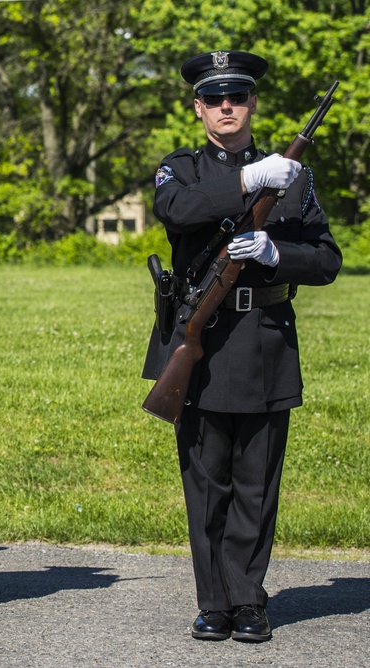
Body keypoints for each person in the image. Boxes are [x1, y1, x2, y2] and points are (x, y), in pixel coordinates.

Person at [144, 50, 341, 642]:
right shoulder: (179, 169)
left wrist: (280, 256)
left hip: (264, 344)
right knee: (206, 481)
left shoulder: (293, 175)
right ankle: (214, 601)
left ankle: (249, 599)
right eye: (215, 98)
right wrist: (249, 182)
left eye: (238, 96)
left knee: (256, 481)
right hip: (200, 342)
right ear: (198, 106)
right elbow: (177, 211)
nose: (227, 106)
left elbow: (328, 259)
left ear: (252, 103)